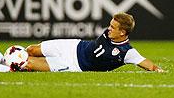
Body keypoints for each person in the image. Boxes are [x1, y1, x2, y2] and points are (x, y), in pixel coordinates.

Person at [24, 12, 164, 72]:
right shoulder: (110, 33)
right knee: (31, 50)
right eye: (110, 25)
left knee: (28, 63)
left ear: (122, 32)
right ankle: (4, 58)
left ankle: (4, 65)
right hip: (73, 46)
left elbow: (147, 64)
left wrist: (158, 70)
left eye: (113, 27)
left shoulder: (127, 52)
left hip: (73, 65)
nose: (108, 29)